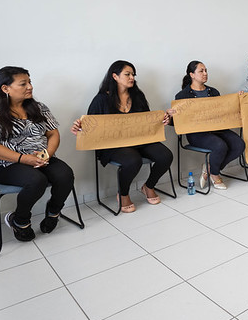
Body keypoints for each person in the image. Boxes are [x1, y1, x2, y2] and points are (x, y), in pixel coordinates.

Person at [0, 66, 75, 240]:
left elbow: (53, 134)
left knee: (65, 175)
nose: (30, 87)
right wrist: (23, 159)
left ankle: (53, 212)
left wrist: (47, 154)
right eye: (23, 84)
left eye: (30, 82)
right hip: (6, 164)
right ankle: (19, 221)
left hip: (40, 159)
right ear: (5, 88)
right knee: (36, 180)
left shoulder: (39, 108)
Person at [71, 60, 173, 213]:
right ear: (115, 76)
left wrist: (162, 120)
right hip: (113, 145)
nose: (132, 77)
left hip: (139, 140)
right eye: (127, 74)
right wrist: (79, 127)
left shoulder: (138, 96)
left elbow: (147, 120)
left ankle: (148, 186)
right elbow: (91, 125)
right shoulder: (101, 99)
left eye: (133, 74)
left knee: (165, 156)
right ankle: (123, 194)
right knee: (133, 160)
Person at [175, 60, 246, 190]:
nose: (205, 73)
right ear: (192, 74)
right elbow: (179, 121)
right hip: (197, 134)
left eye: (206, 70)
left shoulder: (214, 92)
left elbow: (222, 111)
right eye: (201, 71)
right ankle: (214, 174)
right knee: (220, 146)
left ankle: (209, 167)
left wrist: (238, 99)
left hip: (217, 129)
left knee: (239, 145)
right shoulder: (182, 95)